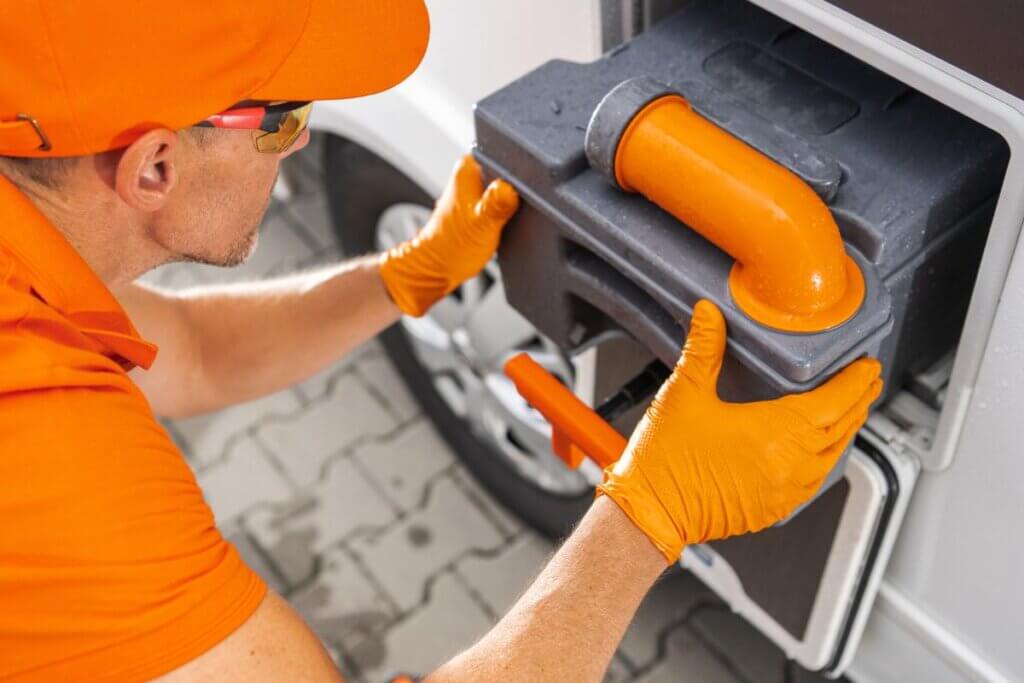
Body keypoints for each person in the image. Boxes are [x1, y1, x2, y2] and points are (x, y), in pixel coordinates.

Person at [0, 2, 882, 681]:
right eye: (282, 115)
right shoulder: (49, 454)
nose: (301, 141)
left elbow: (191, 352)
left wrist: (404, 274)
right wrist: (651, 515)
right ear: (153, 165)